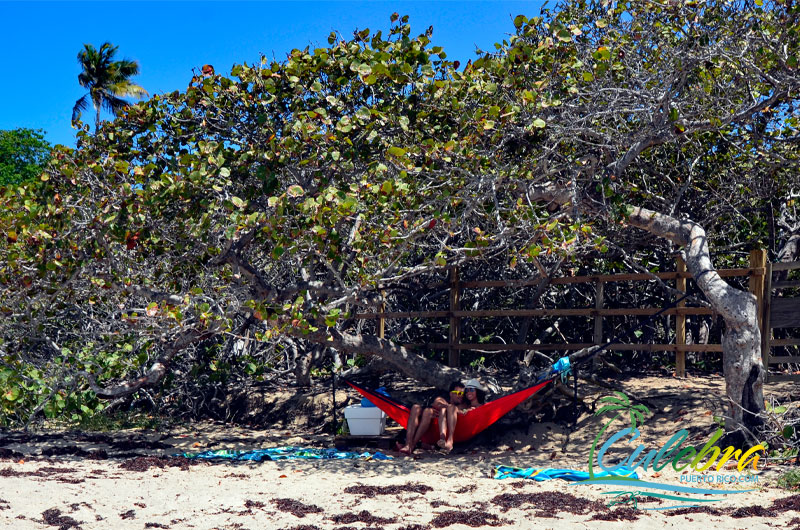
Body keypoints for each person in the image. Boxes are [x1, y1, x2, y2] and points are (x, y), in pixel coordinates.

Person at [397, 381, 466, 455]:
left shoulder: (463, 405)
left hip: (433, 427)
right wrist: (446, 407)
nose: (461, 396)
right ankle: (408, 444)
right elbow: (437, 403)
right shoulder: (444, 400)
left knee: (427, 412)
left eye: (463, 394)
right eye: (459, 393)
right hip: (425, 420)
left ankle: (412, 445)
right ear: (451, 393)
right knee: (415, 407)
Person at [437, 378, 485, 453]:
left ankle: (450, 440)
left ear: (477, 391)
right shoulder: (464, 405)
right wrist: (463, 411)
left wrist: (470, 411)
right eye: (467, 390)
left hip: (467, 430)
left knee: (450, 408)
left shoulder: (481, 406)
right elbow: (452, 409)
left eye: (471, 390)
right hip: (457, 427)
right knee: (447, 408)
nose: (468, 392)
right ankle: (444, 440)